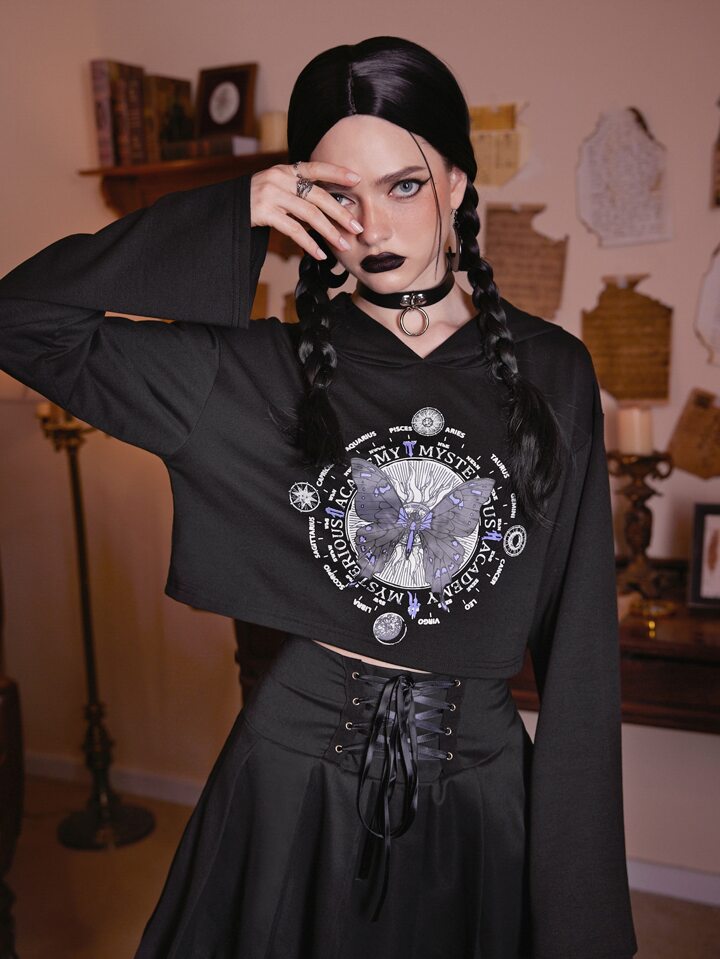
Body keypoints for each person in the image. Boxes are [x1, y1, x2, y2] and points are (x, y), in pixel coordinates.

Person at [0, 35, 638, 959]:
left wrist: (581, 921)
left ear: (458, 181)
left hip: (479, 792)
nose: (372, 225)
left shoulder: (555, 374)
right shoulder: (255, 372)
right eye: (340, 194)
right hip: (293, 781)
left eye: (403, 186)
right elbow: (22, 320)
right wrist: (234, 209)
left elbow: (581, 657)